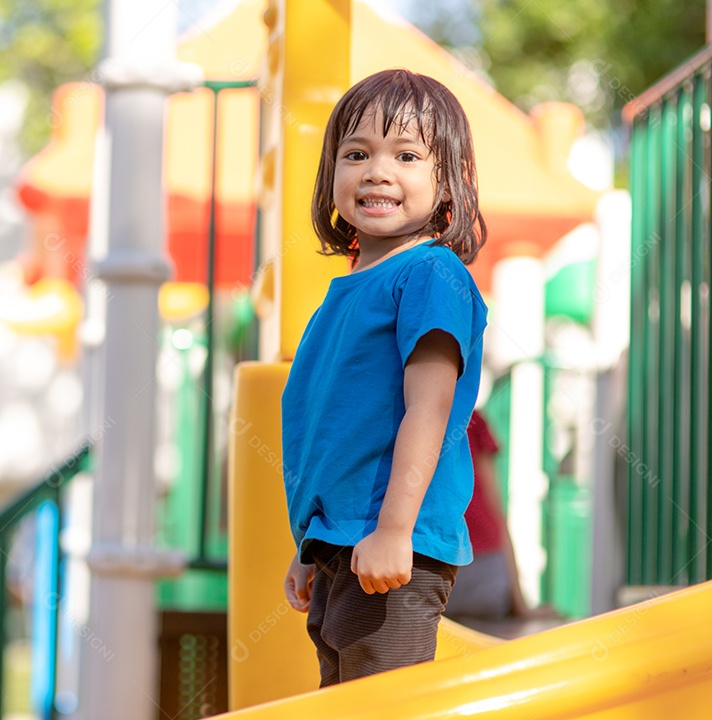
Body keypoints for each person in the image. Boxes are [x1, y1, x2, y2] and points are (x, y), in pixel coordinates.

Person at [280, 68, 488, 685]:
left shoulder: (429, 276)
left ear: (446, 182)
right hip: (344, 544)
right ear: (331, 174)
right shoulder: (343, 295)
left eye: (406, 155)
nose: (376, 171)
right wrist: (312, 543)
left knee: (379, 701)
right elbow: (336, 432)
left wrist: (395, 529)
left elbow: (429, 409)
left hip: (396, 542)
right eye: (356, 154)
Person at [444, 409, 559, 621]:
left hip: (477, 571)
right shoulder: (470, 419)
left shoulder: (471, 420)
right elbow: (495, 508)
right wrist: (520, 604)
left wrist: (520, 604)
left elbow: (494, 508)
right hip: (467, 573)